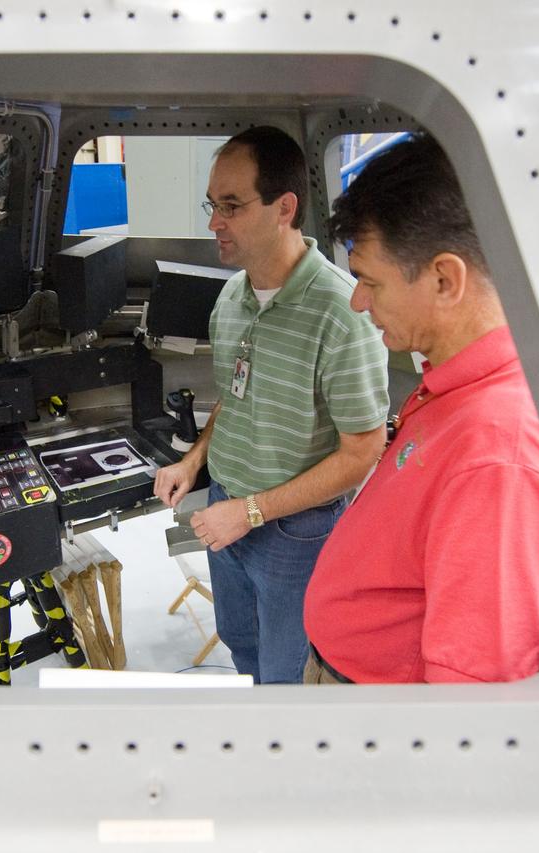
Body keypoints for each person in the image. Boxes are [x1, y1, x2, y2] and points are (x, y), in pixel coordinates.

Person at [303, 135, 539, 685]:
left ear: (445, 279)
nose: (357, 301)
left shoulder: (498, 452)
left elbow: (473, 688)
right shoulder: (456, 388)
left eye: (369, 281)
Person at [154, 126, 389, 684]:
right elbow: (234, 400)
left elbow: (364, 451)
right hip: (223, 507)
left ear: (285, 207)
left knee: (282, 674)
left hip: (293, 532)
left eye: (232, 206)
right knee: (240, 644)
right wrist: (193, 463)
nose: (215, 222)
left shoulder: (341, 312)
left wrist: (252, 511)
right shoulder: (232, 296)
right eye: (213, 204)